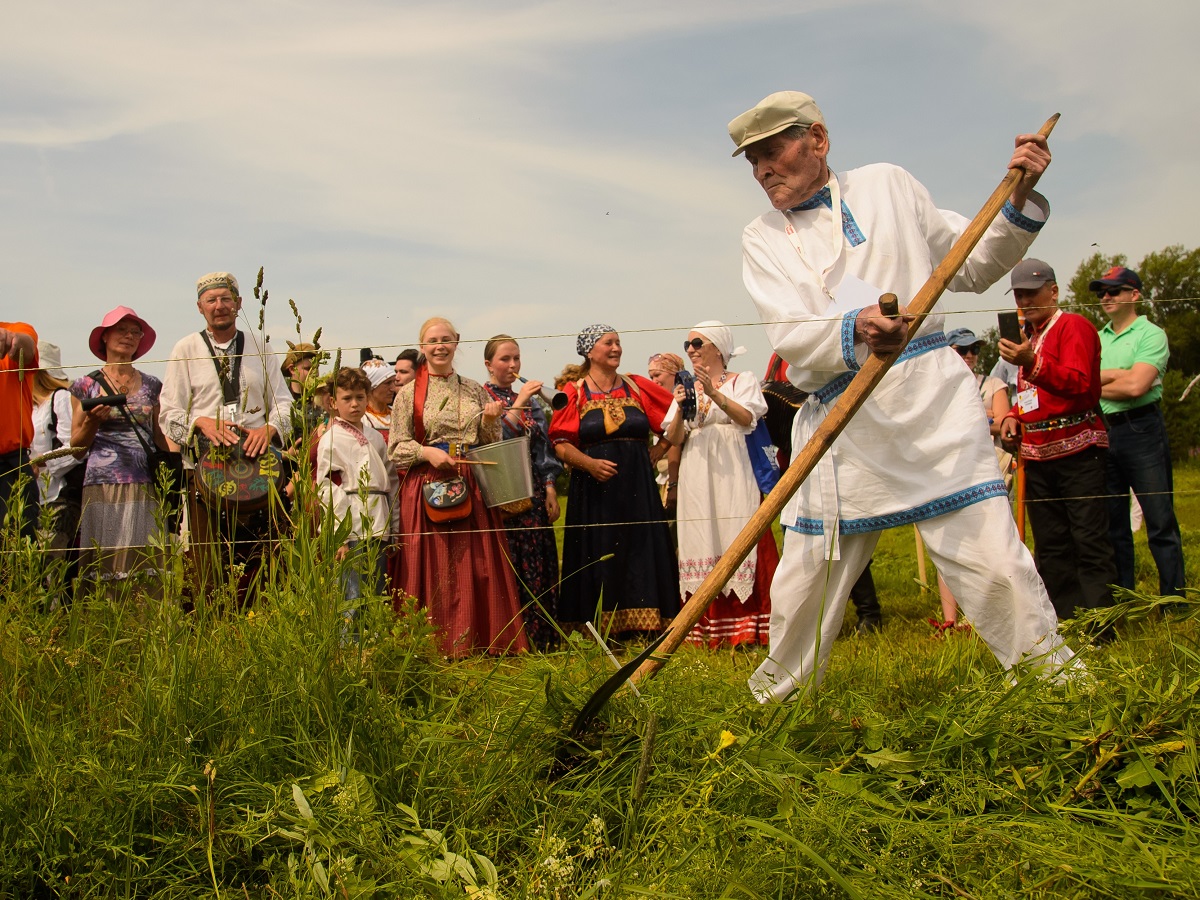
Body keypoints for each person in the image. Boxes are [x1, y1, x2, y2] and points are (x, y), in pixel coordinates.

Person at [730, 90, 1075, 701]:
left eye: (772, 150)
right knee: (805, 578)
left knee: (994, 560)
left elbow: (972, 263)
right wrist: (857, 326)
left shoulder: (888, 184)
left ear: (818, 138)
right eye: (751, 158)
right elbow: (789, 332)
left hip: (929, 408)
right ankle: (773, 709)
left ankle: (1060, 695)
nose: (762, 168)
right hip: (840, 424)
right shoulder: (761, 237)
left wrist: (1016, 195)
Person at [388, 317, 528, 656]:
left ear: (457, 342)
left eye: (446, 339)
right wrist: (427, 453)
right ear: (423, 347)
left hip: (470, 480)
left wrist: (492, 420)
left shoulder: (473, 389)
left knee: (476, 561)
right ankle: (432, 644)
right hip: (427, 483)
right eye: (433, 340)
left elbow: (488, 440)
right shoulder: (408, 395)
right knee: (432, 562)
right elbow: (396, 448)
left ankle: (483, 640)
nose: (440, 346)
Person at [159, 272, 293, 601]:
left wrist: (269, 428)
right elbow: (167, 414)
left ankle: (267, 631)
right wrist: (200, 423)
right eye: (211, 300)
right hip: (207, 475)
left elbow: (286, 404)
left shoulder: (261, 346)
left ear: (239, 303)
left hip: (260, 472)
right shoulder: (185, 348)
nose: (219, 306)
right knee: (208, 567)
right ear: (200, 307)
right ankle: (215, 641)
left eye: (225, 298)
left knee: (268, 562)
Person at [998, 259, 1116, 623]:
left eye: (1032, 293)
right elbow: (1034, 397)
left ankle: (1099, 623)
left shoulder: (1073, 327)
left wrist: (1031, 362)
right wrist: (1014, 418)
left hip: (1077, 450)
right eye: (1019, 295)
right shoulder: (1028, 339)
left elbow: (1082, 385)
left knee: (1088, 538)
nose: (1025, 301)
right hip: (1038, 454)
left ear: (1053, 290)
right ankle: (1067, 620)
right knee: (1051, 544)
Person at [548, 325, 680, 638]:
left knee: (641, 548)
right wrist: (589, 464)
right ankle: (597, 628)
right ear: (589, 351)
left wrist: (659, 448)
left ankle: (647, 626)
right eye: (608, 343)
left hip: (639, 486)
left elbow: (675, 418)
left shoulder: (637, 386)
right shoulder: (574, 392)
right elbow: (560, 443)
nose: (616, 348)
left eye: (618, 342)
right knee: (600, 550)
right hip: (594, 491)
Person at [663, 321, 774, 648]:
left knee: (738, 532)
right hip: (697, 469)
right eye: (687, 345)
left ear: (719, 347)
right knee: (702, 535)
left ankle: (749, 626)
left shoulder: (743, 381)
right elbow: (674, 437)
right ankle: (709, 628)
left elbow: (747, 419)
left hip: (734, 466)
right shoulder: (685, 388)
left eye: (697, 342)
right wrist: (683, 407)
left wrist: (713, 393)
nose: (691, 349)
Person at [1093, 265, 1186, 598]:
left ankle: (1174, 601)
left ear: (1135, 295)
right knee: (1114, 524)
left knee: (1159, 521)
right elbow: (1115, 380)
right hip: (1103, 430)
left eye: (1114, 290)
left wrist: (1096, 382)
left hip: (1141, 428)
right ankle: (1126, 601)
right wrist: (1117, 375)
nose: (1106, 296)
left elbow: (1136, 386)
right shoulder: (1096, 338)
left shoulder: (1152, 334)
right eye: (1101, 291)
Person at [69, 307, 166, 581]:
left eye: (136, 332)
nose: (129, 336)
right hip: (102, 483)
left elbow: (159, 436)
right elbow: (76, 449)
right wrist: (92, 422)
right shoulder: (85, 385)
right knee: (106, 560)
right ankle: (103, 621)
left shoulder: (152, 385)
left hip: (144, 481)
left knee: (142, 560)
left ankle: (144, 621)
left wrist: (174, 470)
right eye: (121, 330)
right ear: (105, 337)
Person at [482, 334, 563, 649]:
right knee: (511, 564)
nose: (513, 365)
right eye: (505, 359)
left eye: (516, 358)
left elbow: (543, 448)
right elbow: (498, 437)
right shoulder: (482, 396)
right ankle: (513, 640)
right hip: (503, 490)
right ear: (488, 364)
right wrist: (518, 403)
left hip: (534, 493)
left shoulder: (529, 401)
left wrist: (551, 486)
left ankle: (542, 638)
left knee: (539, 563)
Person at [315, 367, 396, 637]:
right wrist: (340, 534)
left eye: (360, 397)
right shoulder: (331, 439)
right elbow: (327, 488)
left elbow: (391, 480)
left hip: (378, 521)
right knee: (352, 596)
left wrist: (393, 524)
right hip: (352, 524)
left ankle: (373, 654)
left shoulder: (375, 436)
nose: (354, 404)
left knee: (375, 593)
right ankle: (349, 655)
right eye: (347, 398)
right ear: (333, 402)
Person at [30, 342, 85, 586]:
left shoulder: (60, 398)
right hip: (26, 499)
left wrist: (41, 462)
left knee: (51, 569)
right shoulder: (22, 406)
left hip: (56, 498)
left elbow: (75, 448)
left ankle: (55, 621)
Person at [0, 321, 38, 541]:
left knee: (17, 550)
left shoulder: (19, 328)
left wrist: (12, 340)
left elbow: (26, 347)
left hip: (10, 467)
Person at [646, 352, 685, 511]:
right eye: (651, 377)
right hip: (666, 478)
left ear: (674, 374)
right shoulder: (662, 403)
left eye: (657, 375)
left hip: (679, 478)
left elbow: (675, 443)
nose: (654, 381)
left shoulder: (680, 402)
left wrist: (673, 485)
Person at [362, 360, 397, 443]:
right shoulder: (361, 418)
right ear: (372, 386)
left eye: (393, 382)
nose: (393, 388)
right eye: (387, 383)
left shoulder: (397, 413)